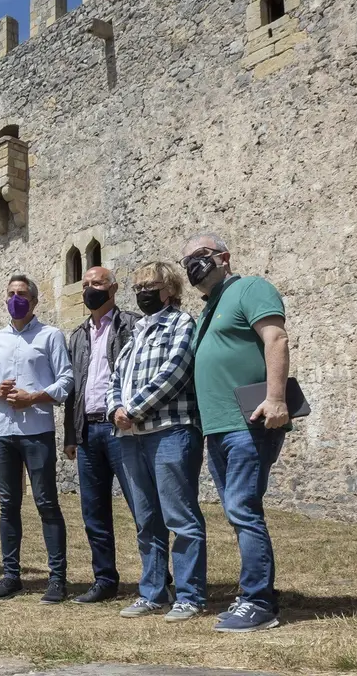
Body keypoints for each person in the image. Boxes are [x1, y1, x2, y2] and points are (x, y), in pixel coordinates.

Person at [181, 233, 290, 633]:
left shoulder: (249, 288)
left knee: (243, 509)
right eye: (186, 260)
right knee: (237, 511)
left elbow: (275, 337)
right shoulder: (210, 310)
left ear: (224, 257)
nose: (193, 264)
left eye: (200, 256)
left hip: (250, 422)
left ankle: (258, 602)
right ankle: (259, 594)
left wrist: (276, 398)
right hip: (219, 428)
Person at [108, 262, 207, 622]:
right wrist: (115, 407)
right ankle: (152, 593)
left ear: (170, 289)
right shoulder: (136, 331)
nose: (143, 292)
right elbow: (116, 374)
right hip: (131, 437)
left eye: (150, 285)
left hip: (171, 430)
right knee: (146, 519)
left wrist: (132, 409)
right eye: (138, 286)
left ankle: (190, 596)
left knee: (180, 517)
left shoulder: (182, 323)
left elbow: (176, 370)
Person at [0, 274, 74, 604]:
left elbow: (65, 381)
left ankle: (57, 578)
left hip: (37, 431)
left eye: (21, 294)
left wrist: (33, 398)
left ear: (34, 301)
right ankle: (11, 575)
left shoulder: (50, 336)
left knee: (46, 502)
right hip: (2, 432)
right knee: (8, 505)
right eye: (10, 294)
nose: (15, 299)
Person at [63, 266, 139, 604]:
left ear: (114, 288)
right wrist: (69, 435)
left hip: (121, 429)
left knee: (142, 506)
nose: (91, 289)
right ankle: (104, 579)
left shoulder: (132, 325)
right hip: (87, 430)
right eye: (87, 284)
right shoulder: (78, 335)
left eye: (98, 283)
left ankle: (160, 578)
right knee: (93, 511)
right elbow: (72, 389)